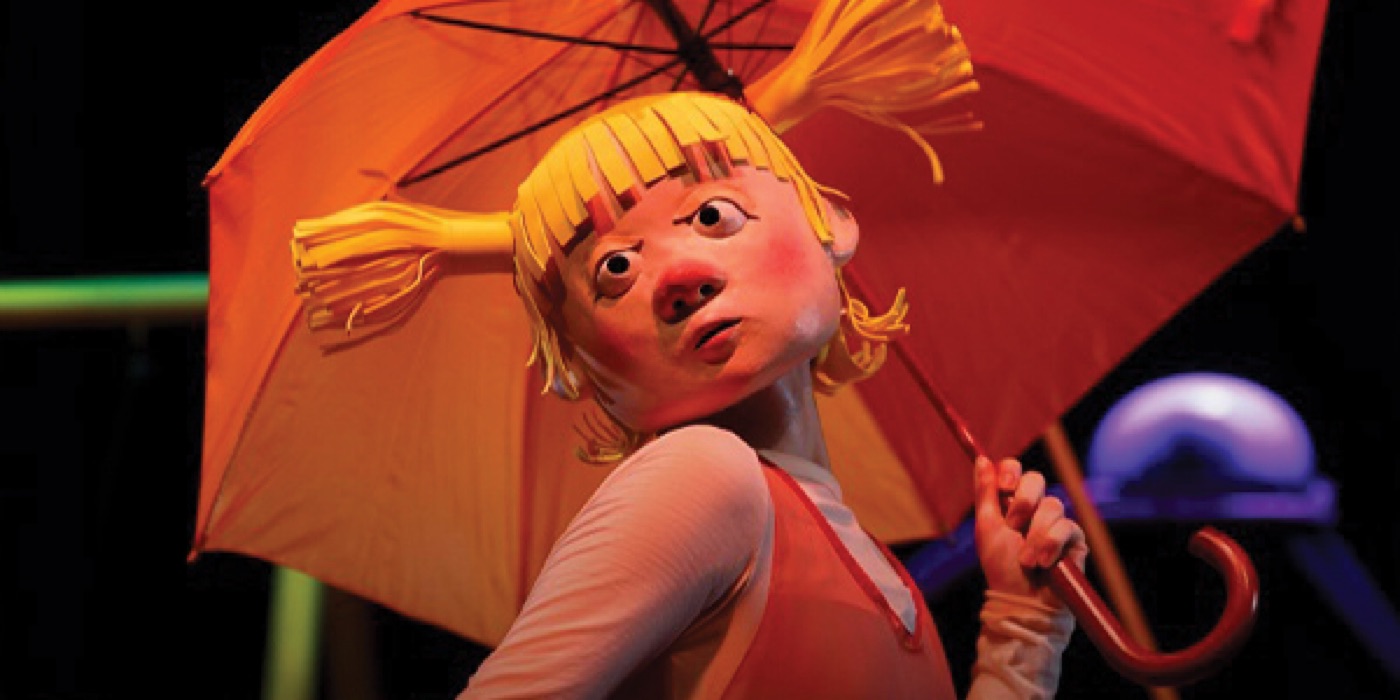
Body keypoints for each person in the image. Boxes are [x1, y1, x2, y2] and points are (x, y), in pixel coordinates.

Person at [292, 4, 1088, 696]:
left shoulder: (863, 557)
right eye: (614, 271)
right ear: (583, 369)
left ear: (831, 220)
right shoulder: (704, 478)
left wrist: (1022, 626)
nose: (678, 277)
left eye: (712, 217)